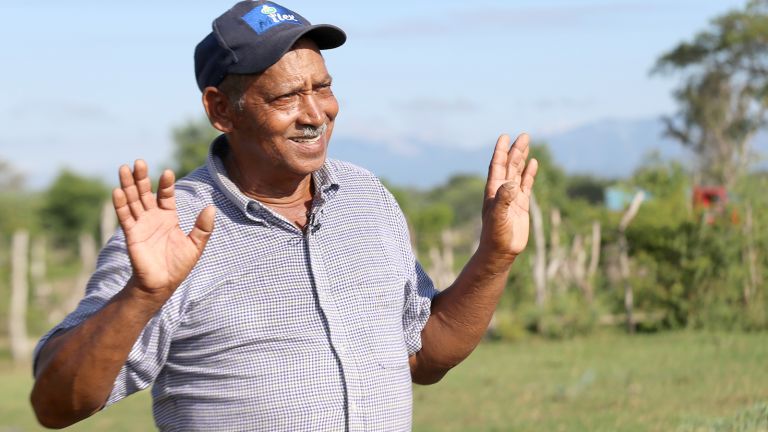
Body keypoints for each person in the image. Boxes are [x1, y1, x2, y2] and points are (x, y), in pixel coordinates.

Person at [30, 1, 539, 431]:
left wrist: (496, 255)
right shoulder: (175, 227)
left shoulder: (366, 197)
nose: (316, 113)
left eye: (322, 87)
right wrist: (142, 296)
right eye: (287, 96)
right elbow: (56, 405)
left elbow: (422, 356)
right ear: (222, 110)